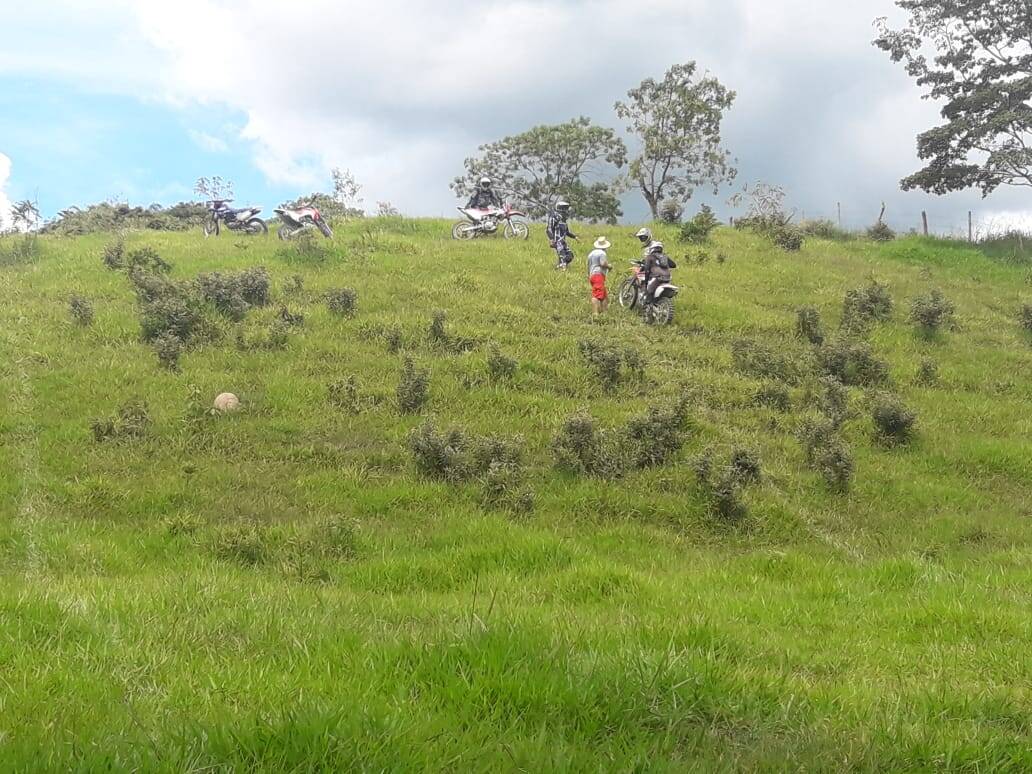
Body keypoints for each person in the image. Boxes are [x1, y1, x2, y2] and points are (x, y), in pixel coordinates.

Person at [642, 240, 677, 306]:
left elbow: (646, 270)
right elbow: (674, 265)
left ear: (652, 248)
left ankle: (648, 307)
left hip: (657, 278)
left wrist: (646, 281)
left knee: (648, 293)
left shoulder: (650, 257)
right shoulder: (665, 257)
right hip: (667, 278)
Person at [547, 200, 577, 270]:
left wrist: (575, 237)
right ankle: (563, 269)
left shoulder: (564, 222)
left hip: (563, 242)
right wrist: (551, 239)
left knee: (570, 256)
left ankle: (559, 266)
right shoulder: (554, 218)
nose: (567, 211)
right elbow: (548, 229)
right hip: (557, 241)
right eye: (565, 209)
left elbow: (567, 232)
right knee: (562, 255)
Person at [587, 237, 612, 315]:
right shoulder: (602, 253)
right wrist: (609, 266)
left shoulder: (591, 254)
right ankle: (595, 313)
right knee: (597, 295)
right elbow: (603, 263)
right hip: (598, 275)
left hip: (592, 275)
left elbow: (588, 265)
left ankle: (604, 312)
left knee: (604, 295)